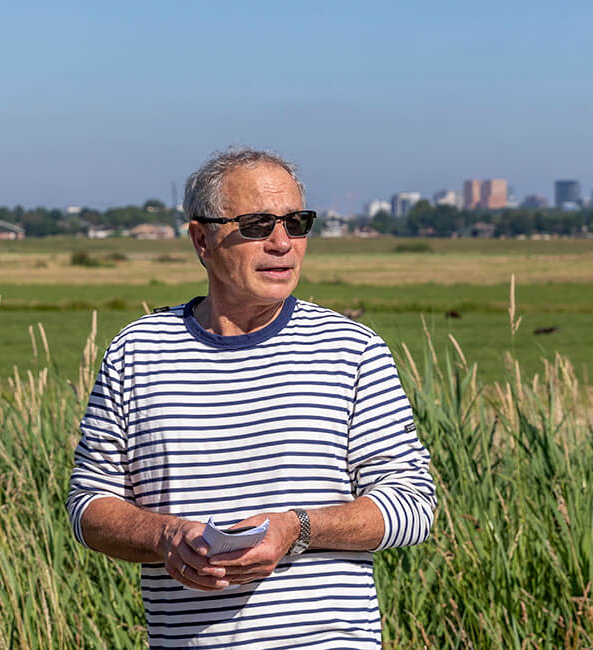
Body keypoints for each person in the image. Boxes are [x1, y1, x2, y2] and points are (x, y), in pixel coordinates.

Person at [67, 147, 437, 648]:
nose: (283, 244)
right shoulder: (137, 351)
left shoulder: (352, 349)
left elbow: (413, 505)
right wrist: (166, 538)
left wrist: (298, 529)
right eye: (258, 225)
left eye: (297, 223)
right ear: (202, 238)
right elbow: (89, 508)